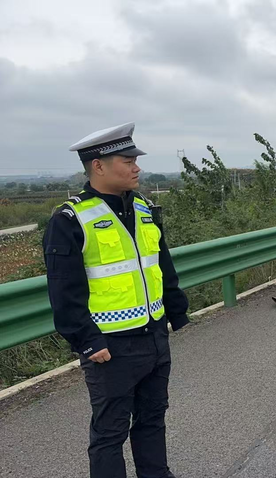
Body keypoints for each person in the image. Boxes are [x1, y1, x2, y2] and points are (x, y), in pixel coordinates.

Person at [43, 122, 189, 478]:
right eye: (127, 160)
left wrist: (176, 312)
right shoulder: (70, 219)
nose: (137, 167)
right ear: (98, 165)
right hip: (110, 347)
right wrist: (87, 341)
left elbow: (162, 265)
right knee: (110, 431)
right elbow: (64, 291)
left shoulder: (144, 208)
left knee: (153, 418)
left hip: (154, 335)